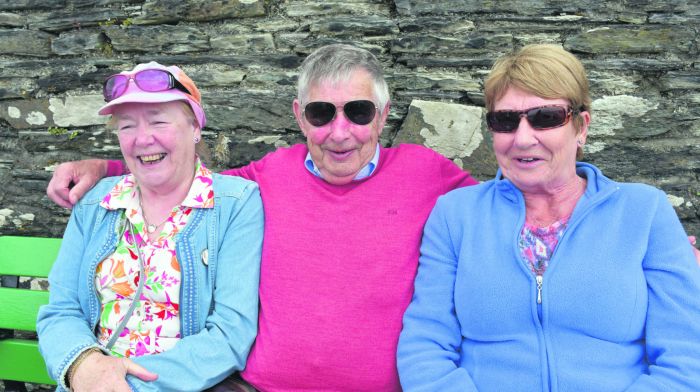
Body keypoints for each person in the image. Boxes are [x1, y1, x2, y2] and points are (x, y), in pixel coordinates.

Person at [45, 44, 479, 391]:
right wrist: (105, 168)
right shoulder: (266, 177)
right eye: (321, 113)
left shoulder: (426, 173)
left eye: (359, 112)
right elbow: (183, 177)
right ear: (300, 117)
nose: (340, 131)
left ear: (383, 116)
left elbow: (506, 208)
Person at [397, 44, 700, 391]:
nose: (523, 139)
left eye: (546, 118)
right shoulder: (456, 216)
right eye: (506, 121)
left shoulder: (644, 212)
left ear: (581, 127)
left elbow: (686, 356)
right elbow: (425, 346)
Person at [37, 62, 264, 392]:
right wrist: (82, 364)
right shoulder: (95, 203)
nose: (143, 139)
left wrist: (120, 383)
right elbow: (61, 310)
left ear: (195, 126)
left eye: (158, 121)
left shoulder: (235, 205)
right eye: (127, 126)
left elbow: (231, 332)